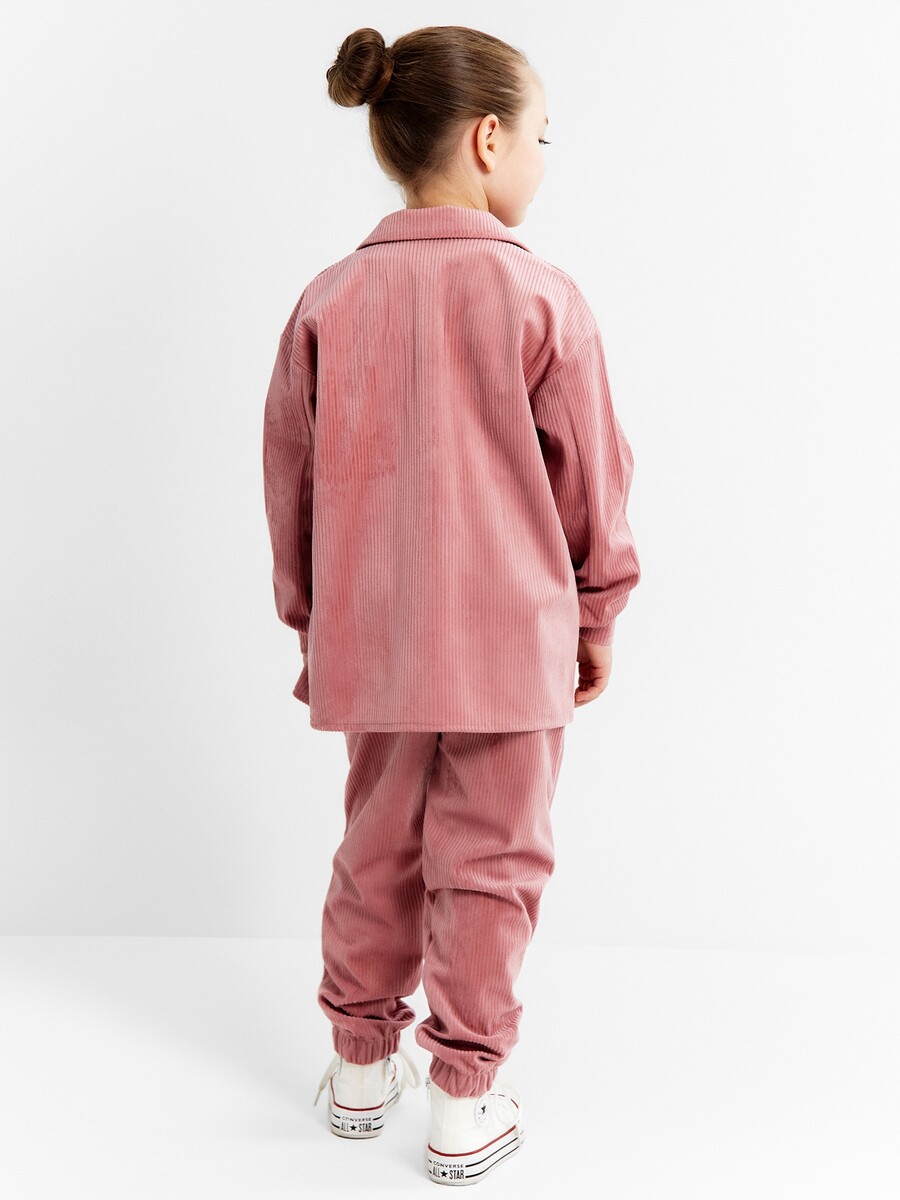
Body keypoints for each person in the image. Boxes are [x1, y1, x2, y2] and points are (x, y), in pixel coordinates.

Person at [262, 23, 641, 1186]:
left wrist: (314, 623)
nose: (540, 157)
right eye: (539, 136)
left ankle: (360, 1069)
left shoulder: (329, 298)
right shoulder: (540, 295)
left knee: (377, 841)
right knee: (492, 859)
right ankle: (465, 1103)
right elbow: (593, 478)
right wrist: (597, 612)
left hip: (374, 637)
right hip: (513, 638)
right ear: (486, 140)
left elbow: (291, 483)